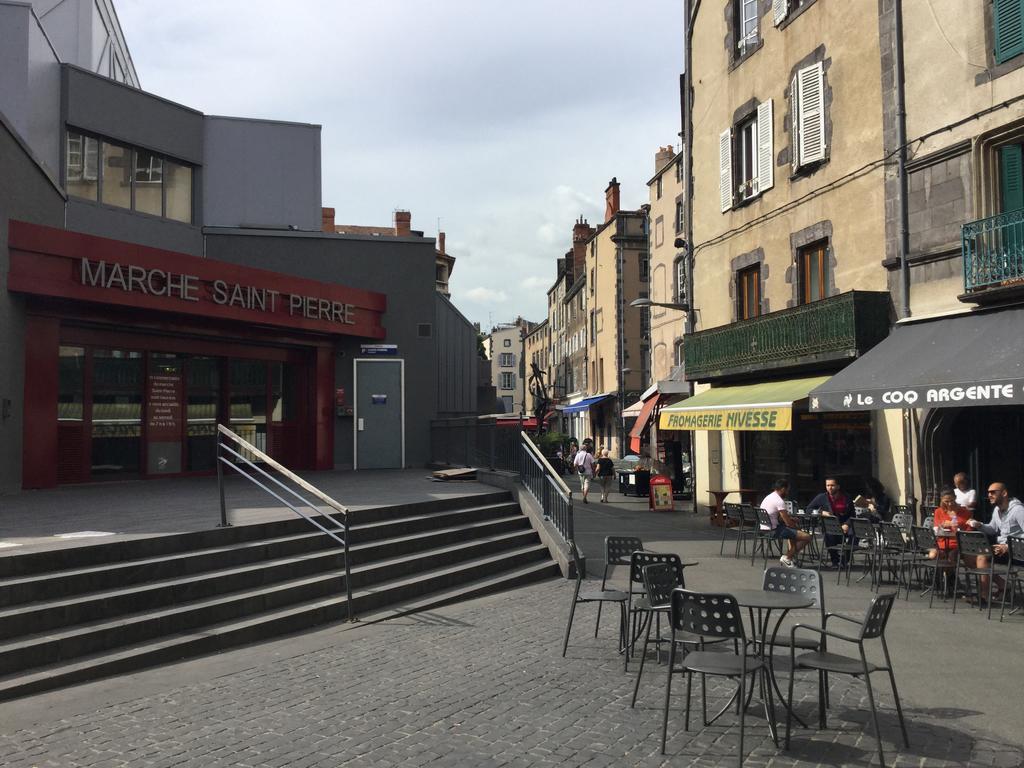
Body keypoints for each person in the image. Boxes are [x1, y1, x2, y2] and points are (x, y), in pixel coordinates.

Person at [968, 482, 1024, 598]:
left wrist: (1008, 547)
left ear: (1004, 493)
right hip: (1002, 548)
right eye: (988, 492)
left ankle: (984, 596)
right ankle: (1003, 584)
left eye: (993, 492)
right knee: (970, 556)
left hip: (1018, 551)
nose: (989, 495)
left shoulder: (1018, 510)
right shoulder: (997, 510)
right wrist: (979, 525)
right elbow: (992, 529)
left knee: (982, 557)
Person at [759, 478, 811, 568]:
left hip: (764, 528)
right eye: (787, 490)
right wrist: (796, 527)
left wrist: (791, 520)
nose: (787, 493)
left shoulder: (769, 497)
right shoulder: (779, 501)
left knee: (793, 534)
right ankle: (787, 557)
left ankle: (790, 557)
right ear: (783, 489)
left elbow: (779, 517)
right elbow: (787, 522)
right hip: (773, 530)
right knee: (807, 537)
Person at [928, 489, 971, 586]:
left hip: (958, 543)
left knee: (951, 557)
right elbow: (936, 527)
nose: (950, 503)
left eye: (951, 500)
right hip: (941, 541)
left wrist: (955, 526)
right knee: (933, 555)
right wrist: (942, 525)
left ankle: (949, 579)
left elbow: (969, 530)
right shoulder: (939, 511)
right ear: (942, 500)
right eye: (946, 501)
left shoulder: (964, 512)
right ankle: (940, 578)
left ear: (955, 498)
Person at [807, 477, 852, 567]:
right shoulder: (822, 497)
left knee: (854, 534)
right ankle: (835, 561)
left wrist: (847, 524)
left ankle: (845, 559)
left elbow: (852, 514)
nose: (829, 488)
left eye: (832, 485)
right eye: (827, 485)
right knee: (829, 533)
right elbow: (809, 509)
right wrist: (821, 512)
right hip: (830, 525)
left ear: (838, 486)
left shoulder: (846, 497)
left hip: (844, 523)